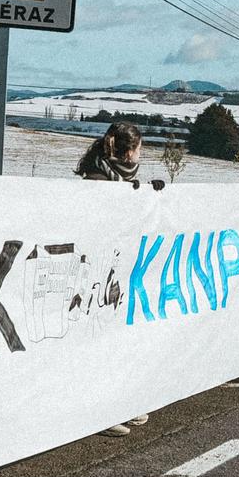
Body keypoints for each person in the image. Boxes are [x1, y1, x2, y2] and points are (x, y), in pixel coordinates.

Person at [76, 123, 154, 432]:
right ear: (130, 151)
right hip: (96, 275)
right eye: (140, 149)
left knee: (116, 343)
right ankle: (100, 412)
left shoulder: (124, 182)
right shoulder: (98, 182)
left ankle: (117, 404)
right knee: (99, 344)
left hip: (116, 272)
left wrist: (150, 199)